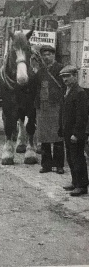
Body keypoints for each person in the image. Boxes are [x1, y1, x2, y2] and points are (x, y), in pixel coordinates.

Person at [59, 65, 89, 197]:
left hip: (75, 133)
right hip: (67, 131)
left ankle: (82, 185)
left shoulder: (80, 92)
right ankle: (75, 181)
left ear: (75, 77)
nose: (65, 79)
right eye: (63, 77)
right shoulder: (66, 91)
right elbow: (63, 113)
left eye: (68, 76)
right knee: (71, 158)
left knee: (78, 158)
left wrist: (77, 134)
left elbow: (82, 116)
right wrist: (61, 129)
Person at [34, 45, 65, 174]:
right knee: (44, 137)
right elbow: (34, 87)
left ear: (53, 55)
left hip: (56, 105)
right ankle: (46, 164)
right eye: (44, 55)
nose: (47, 57)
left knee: (58, 136)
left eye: (49, 54)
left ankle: (59, 165)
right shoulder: (40, 71)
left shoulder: (61, 69)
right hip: (43, 106)